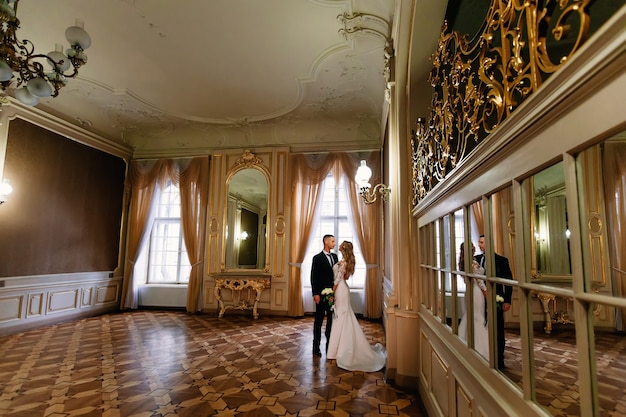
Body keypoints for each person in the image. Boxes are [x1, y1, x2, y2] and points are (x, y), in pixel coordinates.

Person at [326, 241, 386, 372]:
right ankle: (335, 352)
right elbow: (345, 278)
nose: (339, 248)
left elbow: (338, 279)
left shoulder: (343, 263)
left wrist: (331, 292)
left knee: (339, 319)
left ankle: (336, 353)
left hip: (340, 290)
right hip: (343, 290)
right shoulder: (346, 262)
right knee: (341, 318)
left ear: (344, 250)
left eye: (341, 248)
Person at [475, 235, 513, 370]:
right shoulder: (476, 260)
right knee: (481, 326)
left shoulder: (502, 261)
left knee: (497, 327)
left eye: (482, 242)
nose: (479, 245)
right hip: (479, 299)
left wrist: (507, 300)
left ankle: (499, 359)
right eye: (479, 242)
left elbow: (508, 282)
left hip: (497, 298)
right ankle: (483, 355)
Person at [457, 242, 489, 359]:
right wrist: (487, 294)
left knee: (471, 315)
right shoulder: (473, 263)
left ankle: (466, 339)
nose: (476, 247)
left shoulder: (463, 262)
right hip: (476, 292)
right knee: (477, 317)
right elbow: (479, 281)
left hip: (469, 291)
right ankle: (479, 347)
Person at [311, 234, 338, 357]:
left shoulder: (335, 257)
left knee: (331, 320)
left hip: (333, 294)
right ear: (325, 242)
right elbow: (314, 277)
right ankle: (316, 346)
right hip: (321, 294)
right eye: (332, 241)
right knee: (319, 320)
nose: (334, 243)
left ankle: (330, 346)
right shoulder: (317, 258)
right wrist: (315, 293)